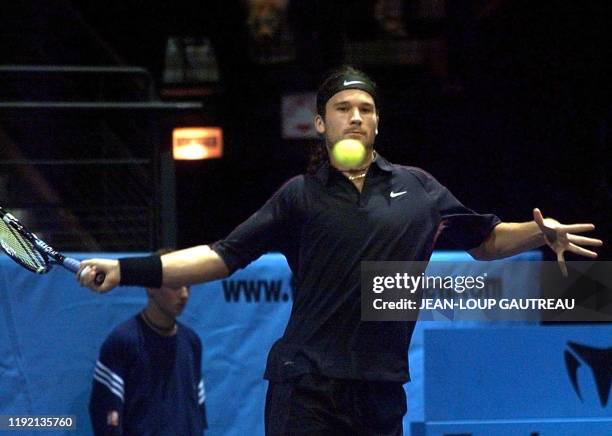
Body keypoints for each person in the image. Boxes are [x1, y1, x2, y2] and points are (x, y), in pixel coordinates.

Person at [79, 66, 602, 435]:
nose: (356, 116)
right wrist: (127, 271)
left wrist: (539, 232)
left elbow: (484, 242)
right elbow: (221, 255)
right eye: (343, 107)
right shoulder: (299, 196)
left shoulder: (420, 190)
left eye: (367, 108)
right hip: (306, 387)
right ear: (321, 124)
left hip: (379, 391)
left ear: (377, 124)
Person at [88, 248, 207, 436]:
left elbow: (197, 413)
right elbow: (106, 417)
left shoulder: (192, 342)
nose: (184, 294)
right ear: (151, 287)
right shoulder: (122, 341)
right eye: (176, 285)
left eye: (188, 286)